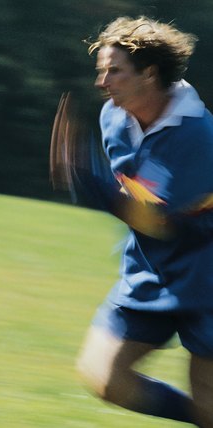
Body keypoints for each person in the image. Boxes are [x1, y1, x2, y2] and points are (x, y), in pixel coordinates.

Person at [74, 16, 213, 427]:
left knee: (208, 402)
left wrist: (89, 179)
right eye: (102, 71)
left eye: (113, 71)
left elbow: (157, 218)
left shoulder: (197, 136)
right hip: (150, 269)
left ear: (149, 73)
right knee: (104, 376)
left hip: (206, 276)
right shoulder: (112, 119)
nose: (103, 82)